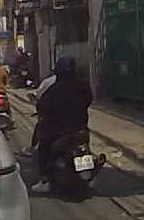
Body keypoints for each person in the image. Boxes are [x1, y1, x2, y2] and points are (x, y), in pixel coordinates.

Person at [30, 56, 92, 193]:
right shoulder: (83, 85)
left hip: (58, 131)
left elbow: (42, 106)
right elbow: (89, 99)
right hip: (81, 128)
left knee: (43, 146)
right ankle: (89, 175)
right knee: (85, 145)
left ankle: (45, 180)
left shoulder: (54, 89)